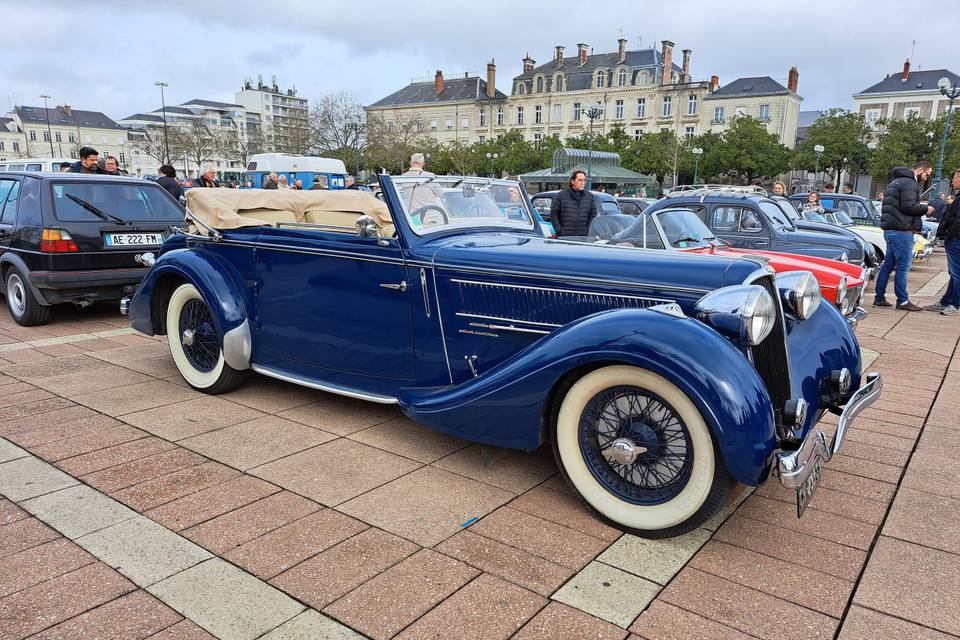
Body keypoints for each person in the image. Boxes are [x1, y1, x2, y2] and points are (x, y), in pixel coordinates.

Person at [873, 161, 935, 311]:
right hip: (902, 230)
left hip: (891, 229)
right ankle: (902, 300)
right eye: (927, 174)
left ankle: (879, 297)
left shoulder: (895, 181)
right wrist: (926, 209)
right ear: (920, 170)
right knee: (903, 266)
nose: (926, 178)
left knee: (888, 265)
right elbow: (908, 206)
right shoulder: (909, 183)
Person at [926, 170, 960, 315]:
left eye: (954, 177)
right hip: (954, 238)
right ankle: (947, 301)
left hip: (956, 239)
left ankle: (955, 303)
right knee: (954, 273)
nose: (952, 180)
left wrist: (949, 233)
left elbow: (957, 220)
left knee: (957, 273)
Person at [549, 170, 596, 238]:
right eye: (579, 180)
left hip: (583, 237)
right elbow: (554, 214)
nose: (582, 183)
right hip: (565, 237)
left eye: (584, 180)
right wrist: (559, 231)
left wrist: (588, 230)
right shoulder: (562, 195)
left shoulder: (589, 196)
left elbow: (593, 215)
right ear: (573, 181)